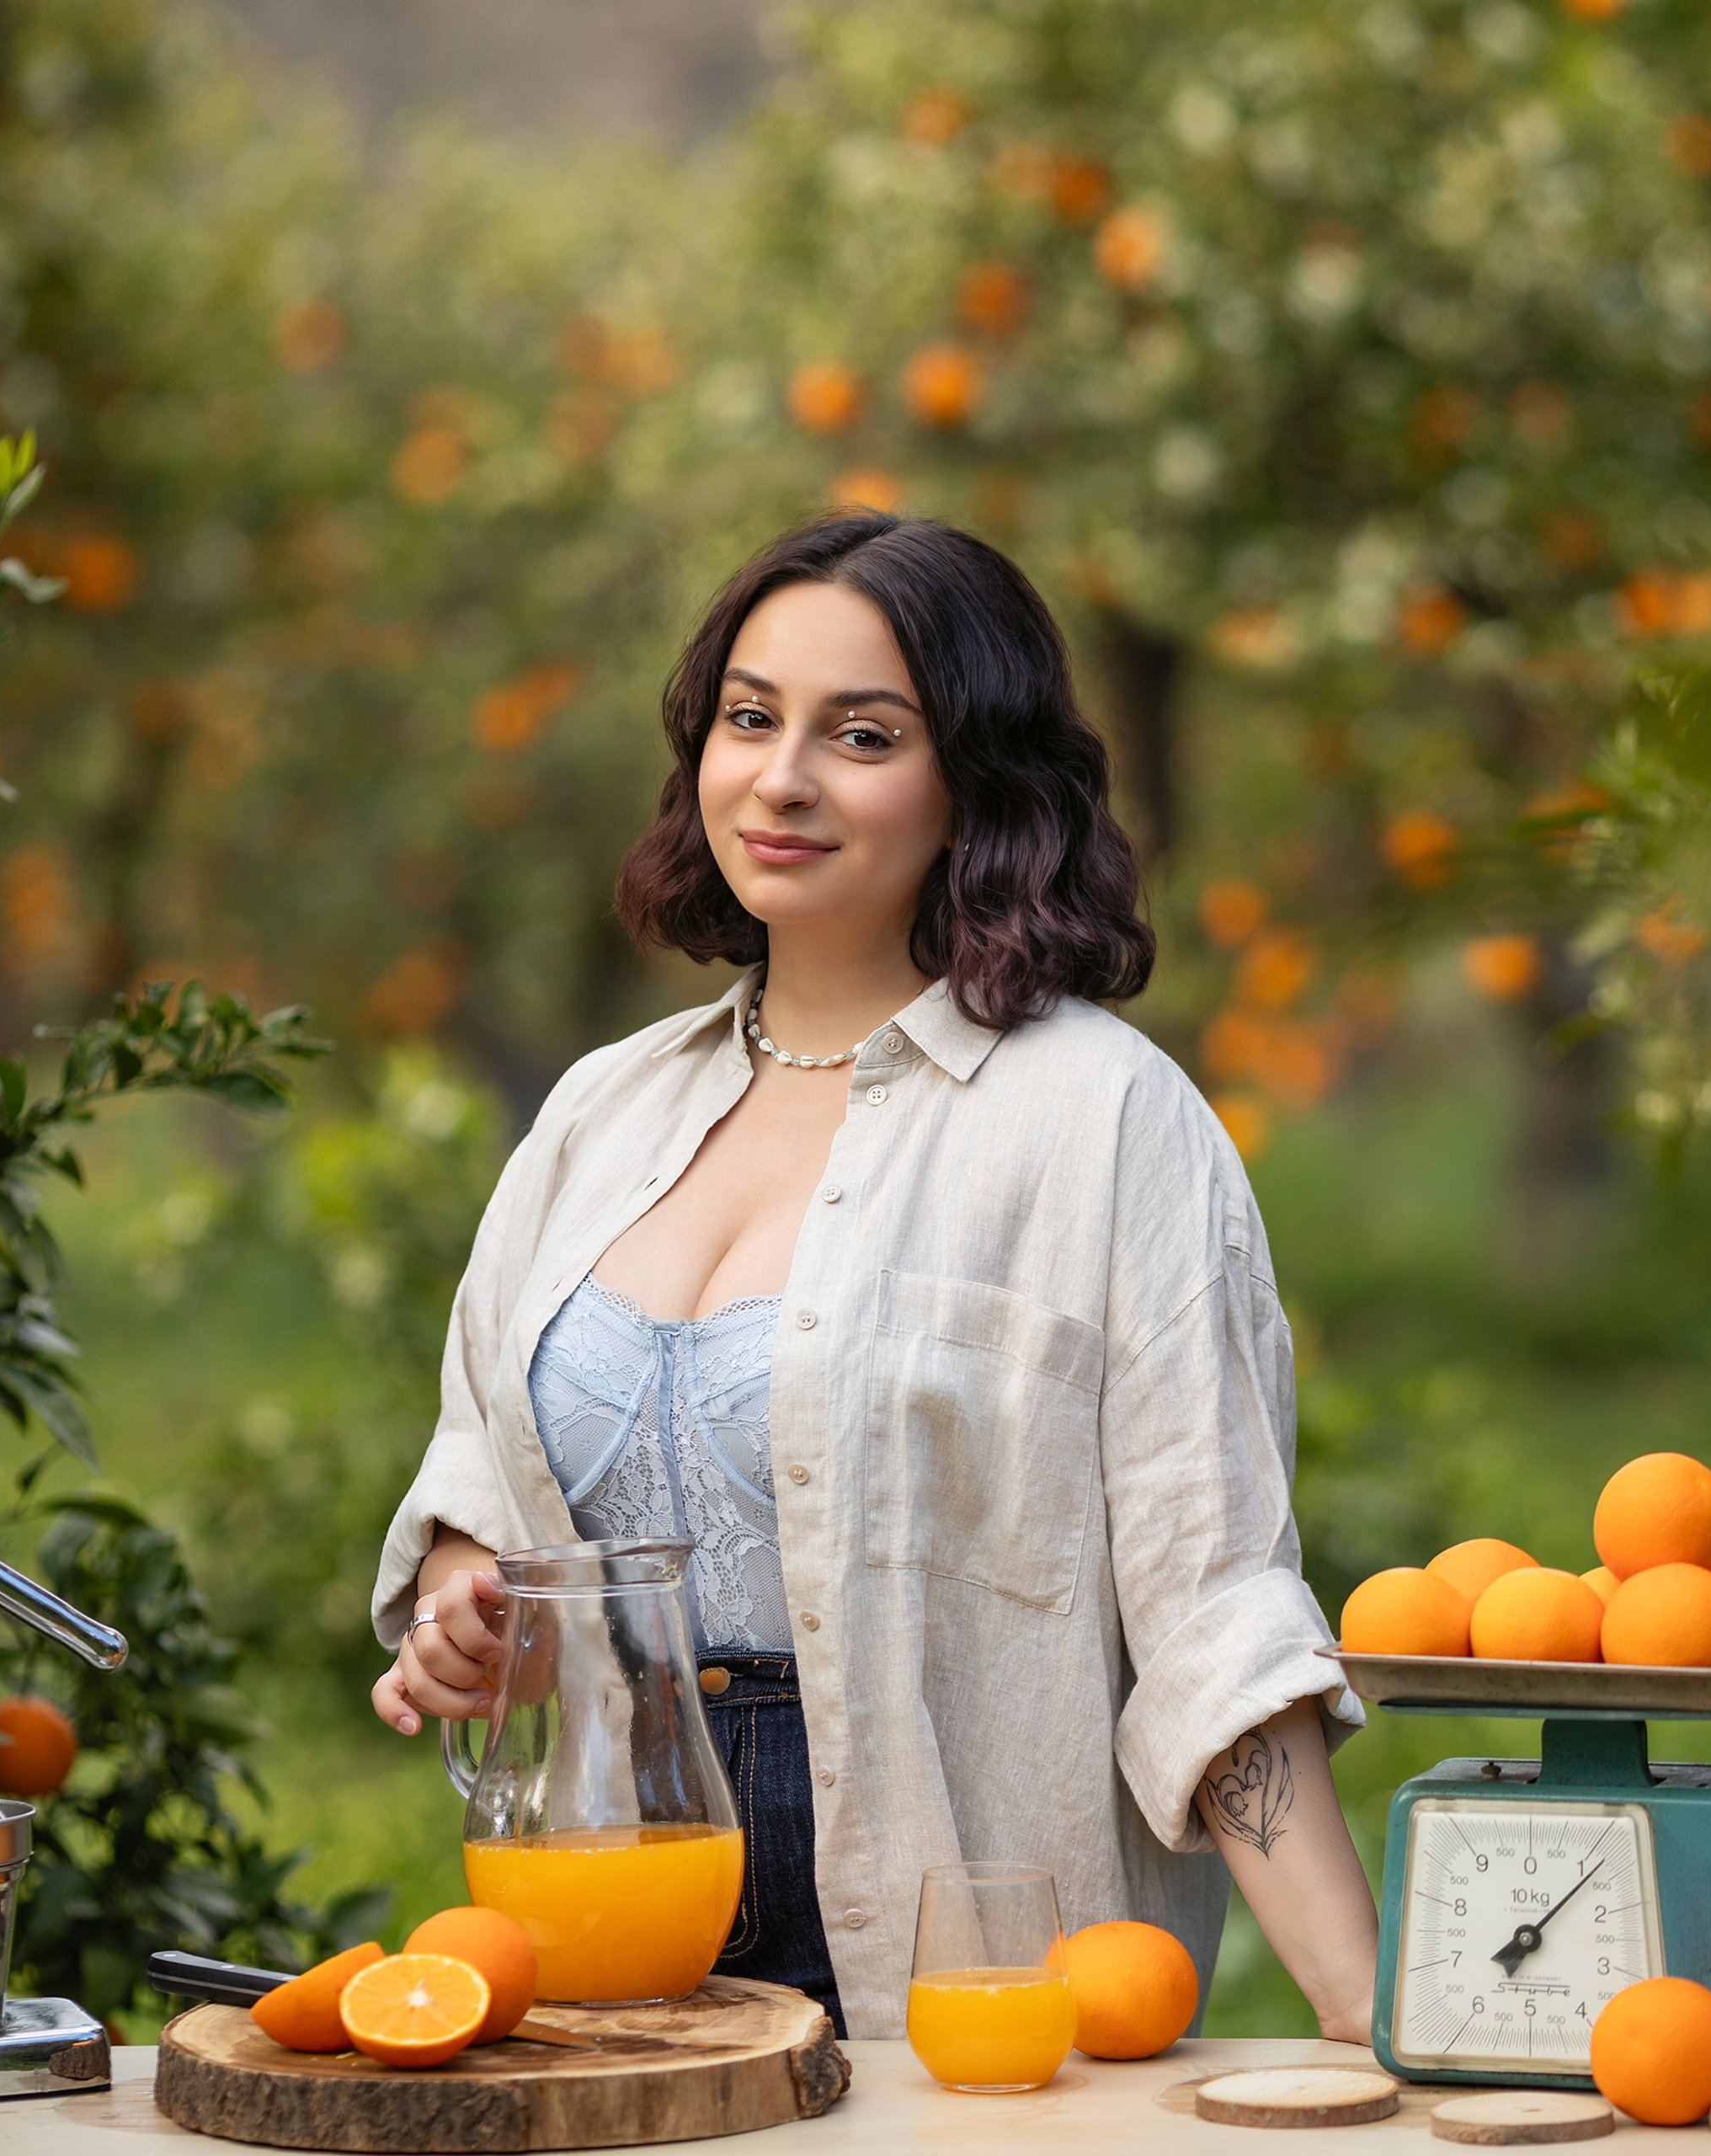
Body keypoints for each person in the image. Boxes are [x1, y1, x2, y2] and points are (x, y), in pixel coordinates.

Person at [370, 511, 1378, 2041]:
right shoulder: (600, 1114)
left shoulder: (1103, 1121)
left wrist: (1374, 2022)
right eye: (750, 718)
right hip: (601, 1924)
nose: (783, 778)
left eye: (862, 734)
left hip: (953, 1947)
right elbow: (486, 1491)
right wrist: (468, 1602)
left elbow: (1216, 1607)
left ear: (975, 777)